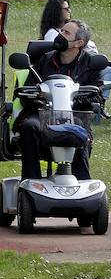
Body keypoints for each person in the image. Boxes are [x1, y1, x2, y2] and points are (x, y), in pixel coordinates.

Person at [15, 20, 105, 181]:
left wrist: (71, 102)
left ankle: (82, 181)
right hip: (42, 114)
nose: (60, 35)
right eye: (61, 31)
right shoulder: (44, 60)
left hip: (74, 115)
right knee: (29, 126)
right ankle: (30, 182)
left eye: (66, 33)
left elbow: (97, 94)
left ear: (79, 43)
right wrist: (42, 100)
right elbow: (28, 90)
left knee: (78, 128)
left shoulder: (90, 64)